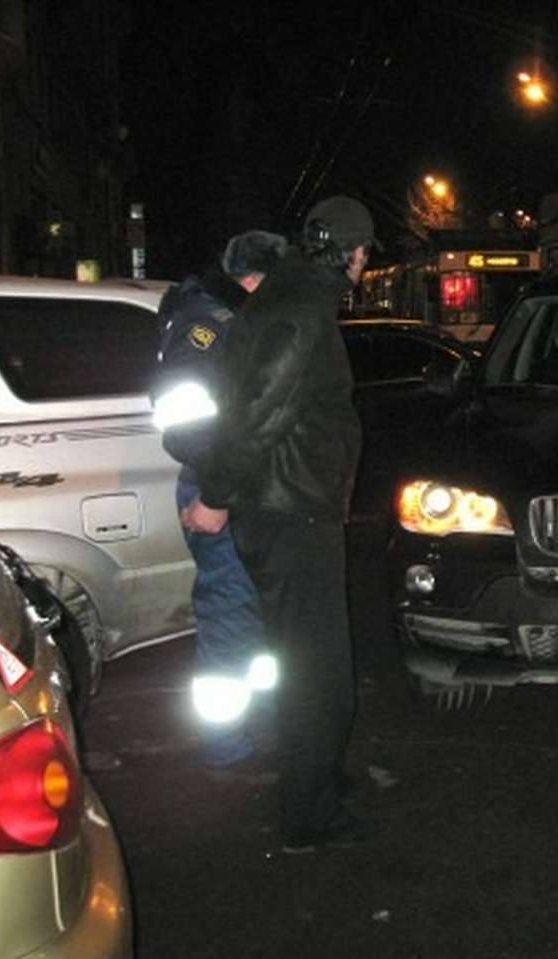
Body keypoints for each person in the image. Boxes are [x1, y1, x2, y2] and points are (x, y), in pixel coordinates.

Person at [183, 195, 373, 852]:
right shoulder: (299, 311)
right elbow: (257, 414)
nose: (365, 263)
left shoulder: (294, 295)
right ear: (350, 252)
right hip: (289, 512)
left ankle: (321, 778)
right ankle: (307, 816)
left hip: (294, 507)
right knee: (313, 670)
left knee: (322, 663)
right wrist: (215, 495)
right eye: (364, 252)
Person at [150, 230, 287, 768]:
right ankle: (228, 747)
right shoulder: (206, 325)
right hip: (217, 489)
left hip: (233, 485)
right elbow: (185, 423)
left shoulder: (225, 317)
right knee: (231, 615)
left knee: (250, 615)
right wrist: (217, 492)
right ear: (252, 279)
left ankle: (257, 727)